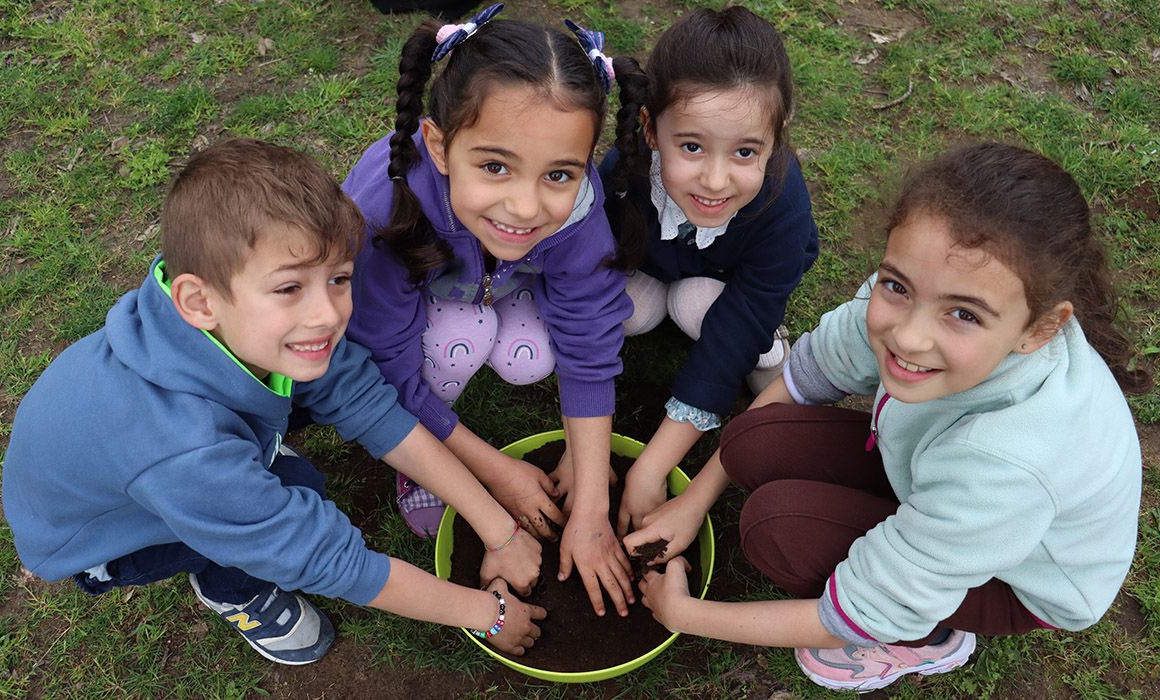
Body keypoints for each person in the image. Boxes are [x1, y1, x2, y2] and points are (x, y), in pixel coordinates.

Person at [623, 143, 1151, 692]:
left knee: (775, 529)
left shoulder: (1008, 464)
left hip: (1017, 576)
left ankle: (930, 635)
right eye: (897, 286)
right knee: (752, 439)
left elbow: (862, 609)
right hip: (942, 479)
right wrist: (693, 501)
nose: (908, 335)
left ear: (1039, 330)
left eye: (963, 314)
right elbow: (809, 373)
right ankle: (919, 546)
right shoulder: (922, 288)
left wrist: (684, 615)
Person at [1, 138, 546, 666]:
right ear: (199, 300)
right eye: (289, 288)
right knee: (295, 490)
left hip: (153, 460)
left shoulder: (236, 323)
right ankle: (229, 586)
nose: (328, 315)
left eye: (338, 278)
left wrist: (498, 528)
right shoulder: (186, 453)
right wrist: (488, 614)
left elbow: (366, 402)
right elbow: (329, 559)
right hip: (105, 535)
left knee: (289, 452)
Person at [342, 4, 647, 618]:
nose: (525, 205)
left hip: (500, 280)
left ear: (587, 162)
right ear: (438, 143)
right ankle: (425, 464)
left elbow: (590, 339)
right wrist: (496, 472)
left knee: (528, 357)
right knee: (455, 340)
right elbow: (385, 369)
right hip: (432, 304)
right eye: (494, 166)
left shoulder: (577, 207)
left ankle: (481, 332)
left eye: (559, 173)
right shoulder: (382, 208)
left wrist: (590, 509)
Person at [599, 7, 820, 538]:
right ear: (651, 128)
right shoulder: (619, 174)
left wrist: (652, 466)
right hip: (652, 260)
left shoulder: (781, 208)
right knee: (630, 312)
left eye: (746, 151)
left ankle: (774, 353)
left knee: (704, 310)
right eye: (692, 146)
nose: (716, 180)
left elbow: (736, 326)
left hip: (724, 279)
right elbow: (588, 281)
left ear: (778, 136)